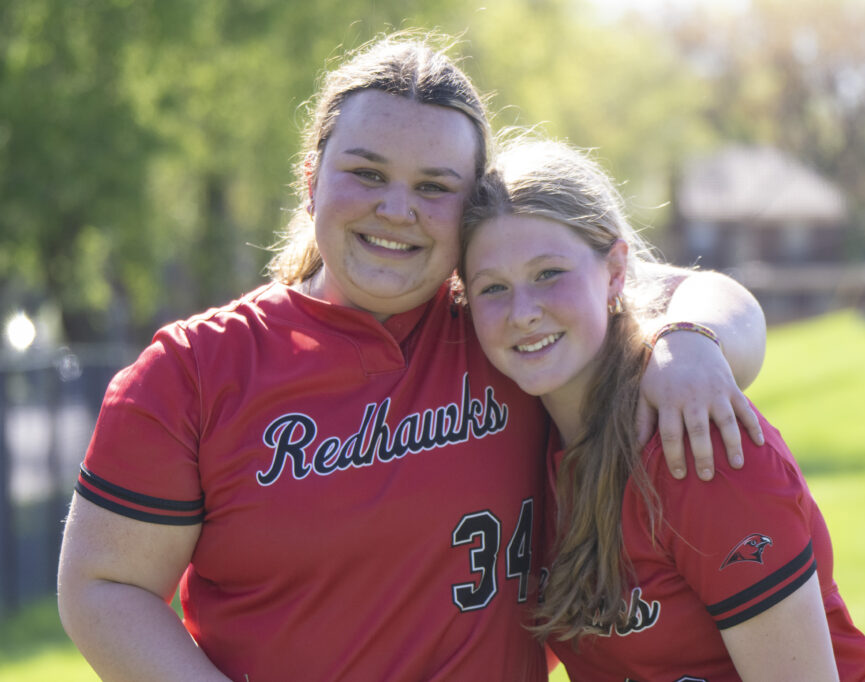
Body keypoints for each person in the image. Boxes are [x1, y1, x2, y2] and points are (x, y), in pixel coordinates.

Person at [56, 33, 767, 681]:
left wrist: (687, 344)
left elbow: (719, 299)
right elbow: (101, 585)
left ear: (473, 208)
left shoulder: (510, 327)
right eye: (367, 174)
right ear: (311, 180)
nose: (398, 210)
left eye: (434, 187)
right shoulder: (194, 371)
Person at [458, 137, 865, 681]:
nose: (522, 313)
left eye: (548, 274)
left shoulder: (694, 441)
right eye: (493, 288)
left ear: (614, 272)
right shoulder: (524, 445)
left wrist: (690, 337)